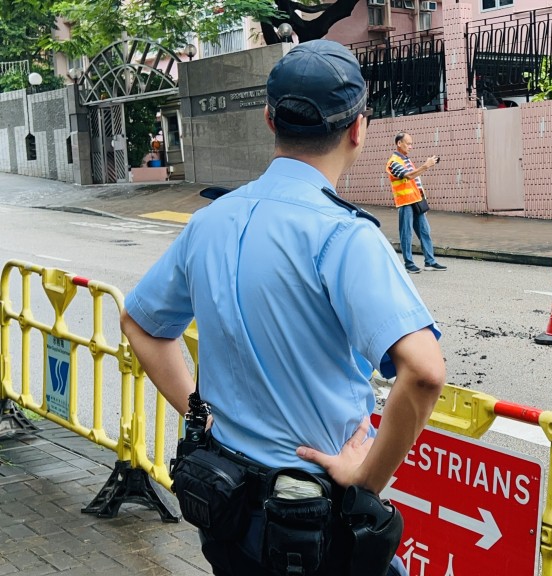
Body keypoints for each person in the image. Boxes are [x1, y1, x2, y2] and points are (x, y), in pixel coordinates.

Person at [119, 39, 445, 576]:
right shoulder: (343, 235)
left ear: (270, 119)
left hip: (221, 504)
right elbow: (425, 371)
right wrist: (365, 480)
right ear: (358, 129)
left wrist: (199, 415)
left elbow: (141, 323)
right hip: (309, 525)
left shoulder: (210, 222)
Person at [387, 132, 446, 274]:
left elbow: (415, 181)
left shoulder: (406, 160)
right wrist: (426, 166)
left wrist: (423, 200)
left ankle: (430, 262)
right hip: (405, 202)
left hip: (417, 200)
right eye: (408, 143)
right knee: (406, 233)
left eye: (411, 143)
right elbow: (409, 176)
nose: (410, 146)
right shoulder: (393, 162)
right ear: (399, 143)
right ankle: (408, 264)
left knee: (425, 231)